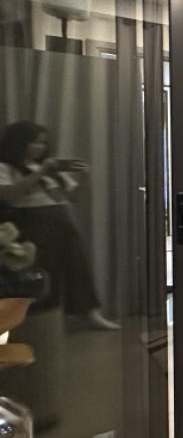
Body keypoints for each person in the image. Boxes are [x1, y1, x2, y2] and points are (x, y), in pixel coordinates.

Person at [0, 120, 119, 329]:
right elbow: (9, 196)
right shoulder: (6, 167)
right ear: (19, 142)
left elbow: (72, 197)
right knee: (43, 271)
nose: (40, 147)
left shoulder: (50, 169)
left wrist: (82, 177)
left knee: (77, 267)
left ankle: (89, 314)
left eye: (43, 143)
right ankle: (42, 321)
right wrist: (41, 172)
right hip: (30, 221)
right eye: (34, 142)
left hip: (60, 219)